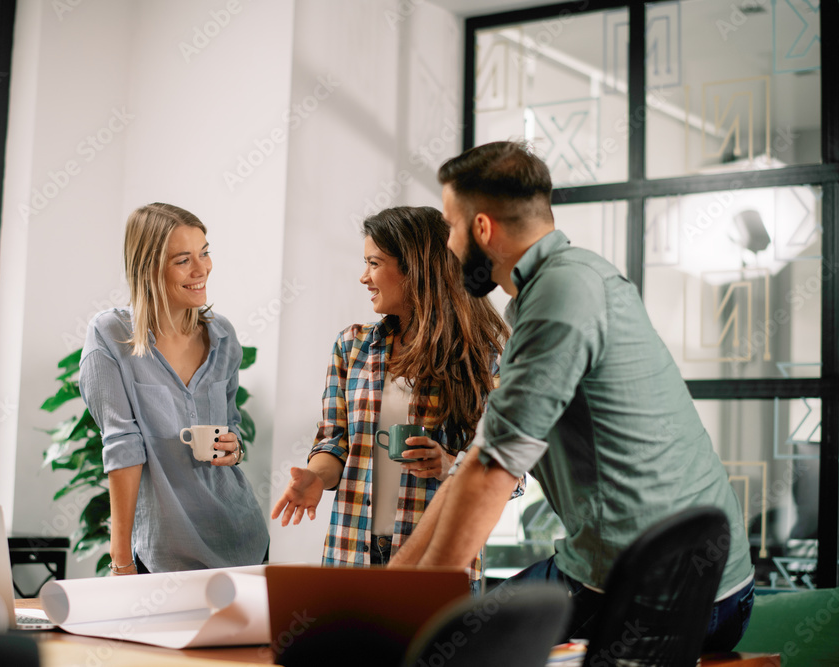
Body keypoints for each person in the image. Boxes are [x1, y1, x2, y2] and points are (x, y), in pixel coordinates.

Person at [389, 141, 755, 651]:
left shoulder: (560, 297)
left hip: (660, 599)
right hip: (691, 584)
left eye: (450, 227)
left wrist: (412, 610)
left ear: (481, 229)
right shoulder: (568, 282)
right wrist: (392, 585)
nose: (448, 247)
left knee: (452, 645)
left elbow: (495, 471)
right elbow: (473, 462)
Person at [271, 206, 514, 594]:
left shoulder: (483, 355)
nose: (364, 276)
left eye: (374, 263)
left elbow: (509, 474)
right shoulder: (351, 345)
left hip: (437, 560)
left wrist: (449, 465)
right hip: (351, 552)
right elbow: (334, 442)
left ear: (415, 268)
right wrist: (316, 477)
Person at [80, 202, 269, 575]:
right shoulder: (110, 336)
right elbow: (122, 448)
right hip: (164, 555)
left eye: (205, 253)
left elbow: (231, 425)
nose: (202, 269)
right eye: (184, 260)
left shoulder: (222, 335)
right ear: (148, 267)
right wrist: (121, 562)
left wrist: (234, 446)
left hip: (242, 540)